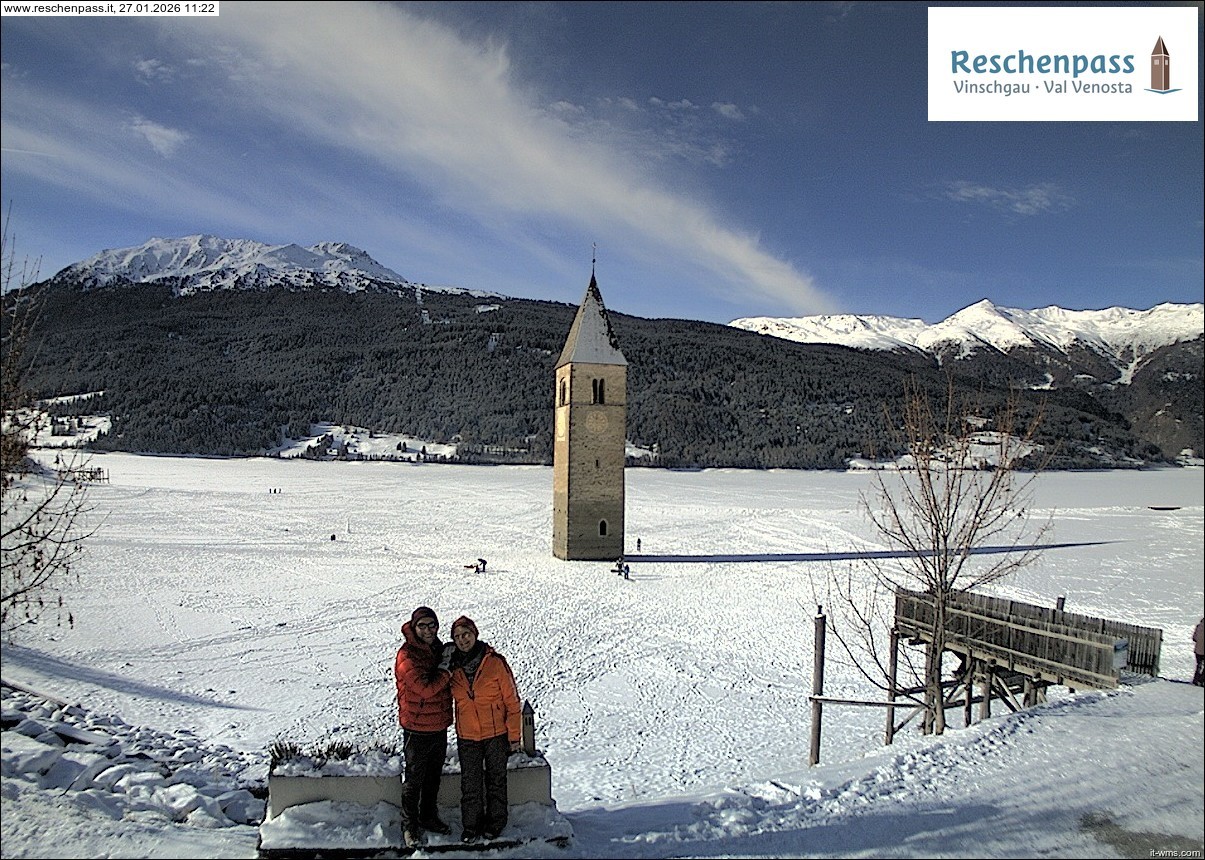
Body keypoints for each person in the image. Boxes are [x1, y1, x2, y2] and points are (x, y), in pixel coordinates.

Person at [447, 615, 522, 843]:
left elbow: (512, 701)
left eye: (466, 634)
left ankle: (496, 823)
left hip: (495, 733)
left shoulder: (495, 663)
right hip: (467, 735)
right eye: (457, 636)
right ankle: (471, 826)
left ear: (475, 634)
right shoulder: (450, 666)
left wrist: (514, 735)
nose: (462, 640)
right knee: (470, 783)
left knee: (496, 780)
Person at [394, 606, 454, 848]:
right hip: (416, 727)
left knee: (433, 777)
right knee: (414, 779)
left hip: (438, 724)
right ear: (414, 627)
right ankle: (410, 825)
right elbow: (425, 688)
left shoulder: (437, 648)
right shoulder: (407, 655)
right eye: (423, 626)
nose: (428, 630)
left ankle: (428, 816)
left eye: (432, 625)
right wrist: (445, 671)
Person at [1193, 618, 1204, 687]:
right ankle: (1201, 680)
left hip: (1198, 650)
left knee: (1199, 665)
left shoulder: (1198, 626)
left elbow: (1194, 638)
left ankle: (1196, 679)